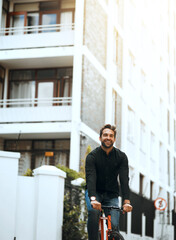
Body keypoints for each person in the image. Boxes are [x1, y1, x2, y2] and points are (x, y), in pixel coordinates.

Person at [85, 124, 133, 240]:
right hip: (94, 192)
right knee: (94, 212)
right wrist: (93, 199)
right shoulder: (92, 156)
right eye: (105, 135)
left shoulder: (121, 157)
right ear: (100, 138)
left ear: (114, 139)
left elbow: (124, 179)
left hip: (112, 194)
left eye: (111, 136)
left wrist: (126, 201)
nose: (108, 137)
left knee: (114, 227)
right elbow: (91, 178)